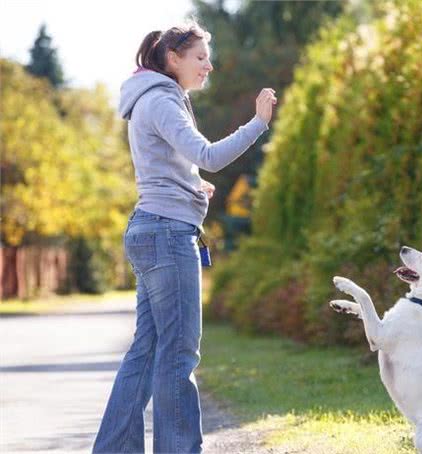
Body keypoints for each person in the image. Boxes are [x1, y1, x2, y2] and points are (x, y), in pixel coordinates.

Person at [92, 20, 276, 454]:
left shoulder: (152, 99)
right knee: (178, 354)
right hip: (166, 234)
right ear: (173, 59)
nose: (208, 66)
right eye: (200, 57)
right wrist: (258, 123)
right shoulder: (161, 102)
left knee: (147, 352)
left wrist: (191, 186)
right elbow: (209, 156)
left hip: (156, 227)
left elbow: (167, 166)